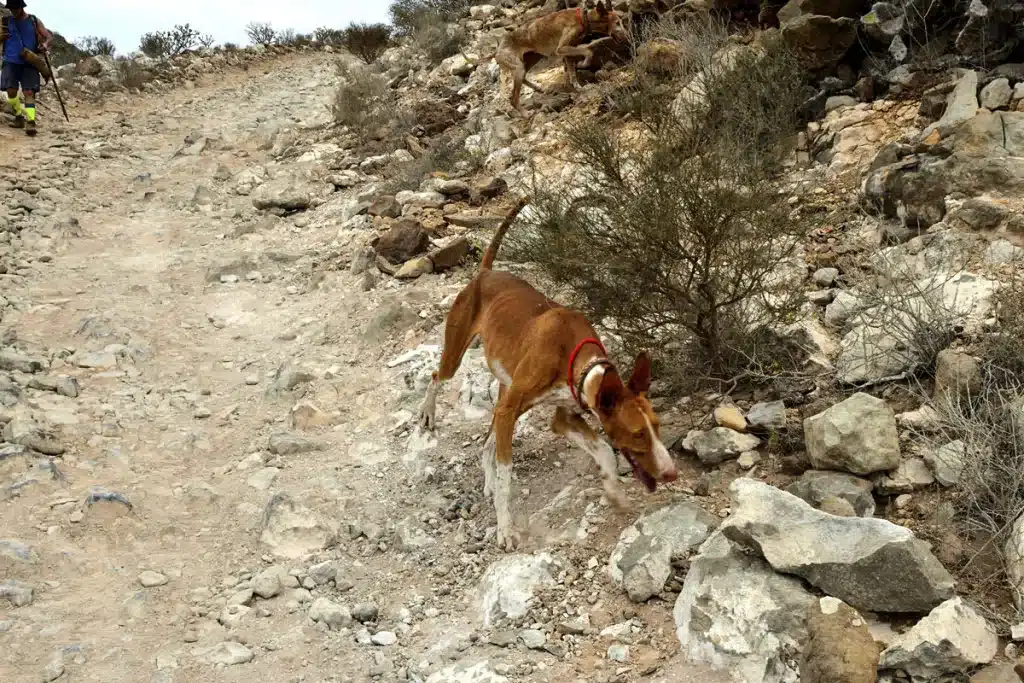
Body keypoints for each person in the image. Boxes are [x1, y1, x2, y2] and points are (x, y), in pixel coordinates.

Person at [1, 0, 52, 136]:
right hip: (10, 61)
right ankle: (19, 117)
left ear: (21, 7)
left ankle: (31, 122)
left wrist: (45, 45)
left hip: (30, 61)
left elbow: (48, 36)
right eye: (11, 8)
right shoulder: (5, 21)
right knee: (11, 92)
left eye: (15, 8)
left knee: (29, 92)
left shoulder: (33, 20)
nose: (13, 11)